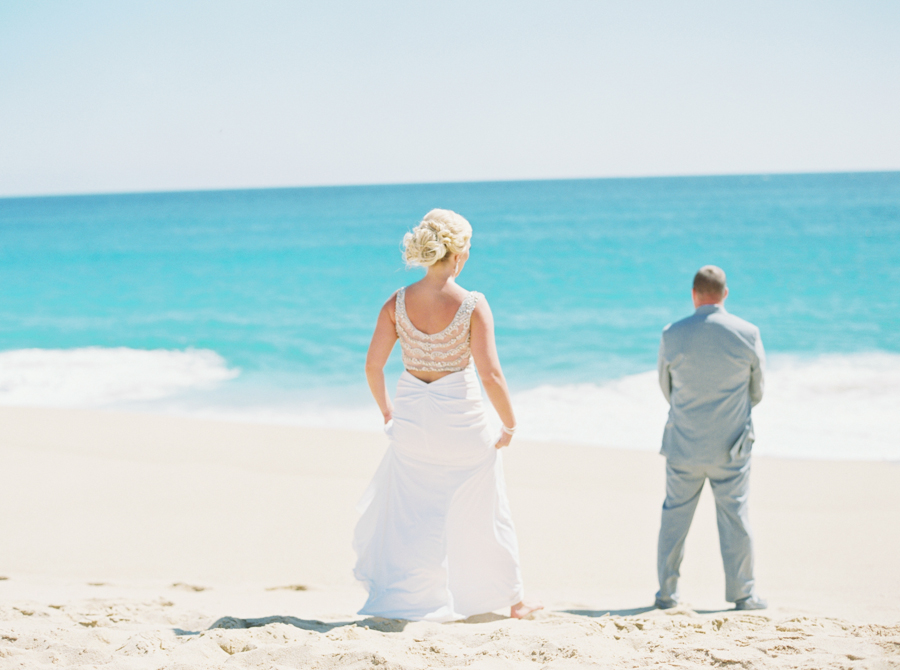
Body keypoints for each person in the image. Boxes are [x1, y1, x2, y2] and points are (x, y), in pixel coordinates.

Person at [353, 209, 541, 622]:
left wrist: (388, 411)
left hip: (412, 423)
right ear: (458, 253)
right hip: (461, 424)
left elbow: (372, 366)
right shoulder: (472, 304)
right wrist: (510, 423)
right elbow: (490, 374)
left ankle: (405, 598)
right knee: (486, 509)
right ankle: (511, 600)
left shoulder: (396, 302)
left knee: (412, 513)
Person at [655, 265, 767, 611]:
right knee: (735, 518)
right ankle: (744, 595)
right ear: (725, 294)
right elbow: (757, 390)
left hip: (684, 444)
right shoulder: (747, 332)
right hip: (731, 447)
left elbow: (666, 387)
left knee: (674, 519)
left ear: (694, 294)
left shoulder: (672, 333)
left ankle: (667, 595)